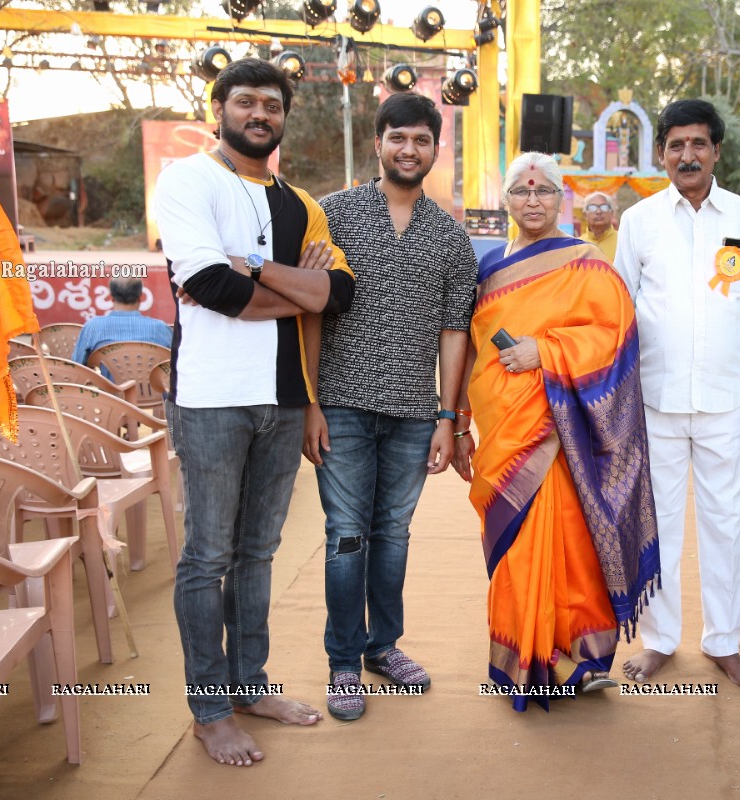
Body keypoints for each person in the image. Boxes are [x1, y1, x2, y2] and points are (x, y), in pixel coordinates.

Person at [153, 58, 355, 767]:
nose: (259, 113)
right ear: (219, 109)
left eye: (272, 104)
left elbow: (336, 298)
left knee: (257, 554)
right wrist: (294, 285)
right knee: (207, 556)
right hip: (211, 399)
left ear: (283, 117)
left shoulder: (302, 203)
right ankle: (210, 710)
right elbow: (209, 284)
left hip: (284, 399)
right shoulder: (188, 179)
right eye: (245, 101)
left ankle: (249, 682)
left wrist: (262, 270)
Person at [452, 151, 660, 711]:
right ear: (508, 200)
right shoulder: (488, 268)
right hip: (503, 424)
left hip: (559, 426)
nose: (533, 201)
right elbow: (470, 349)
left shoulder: (584, 262)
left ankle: (579, 659)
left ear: (560, 199)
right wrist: (461, 422)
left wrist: (544, 349)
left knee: (570, 538)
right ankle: (520, 656)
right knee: (516, 546)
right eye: (521, 191)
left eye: (544, 192)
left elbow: (615, 335)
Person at [302, 92, 477, 721]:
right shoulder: (333, 215)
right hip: (342, 407)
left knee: (392, 536)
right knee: (346, 536)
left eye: (421, 140)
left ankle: (384, 646)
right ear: (377, 143)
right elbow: (311, 308)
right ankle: (344, 663)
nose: (409, 150)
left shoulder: (451, 238)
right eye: (397, 138)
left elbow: (454, 330)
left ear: (435, 149)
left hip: (412, 413)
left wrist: (447, 418)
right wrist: (311, 402)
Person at [614, 98, 740, 691]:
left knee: (726, 525)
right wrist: (622, 397)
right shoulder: (639, 222)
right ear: (662, 153)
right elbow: (621, 311)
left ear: (716, 151)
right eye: (676, 145)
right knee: (659, 527)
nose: (688, 155)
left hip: (729, 403)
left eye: (698, 144)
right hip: (653, 402)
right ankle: (660, 639)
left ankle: (723, 642)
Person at [71, 277, 172, 376]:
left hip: (108, 392)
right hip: (155, 392)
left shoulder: (93, 327)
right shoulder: (161, 329)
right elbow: (178, 365)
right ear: (140, 297)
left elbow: (76, 367)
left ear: (111, 298)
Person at [580, 191, 618, 262]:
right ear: (585, 214)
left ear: (612, 213)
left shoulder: (622, 241)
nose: (598, 211)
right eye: (592, 207)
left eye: (604, 207)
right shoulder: (578, 244)